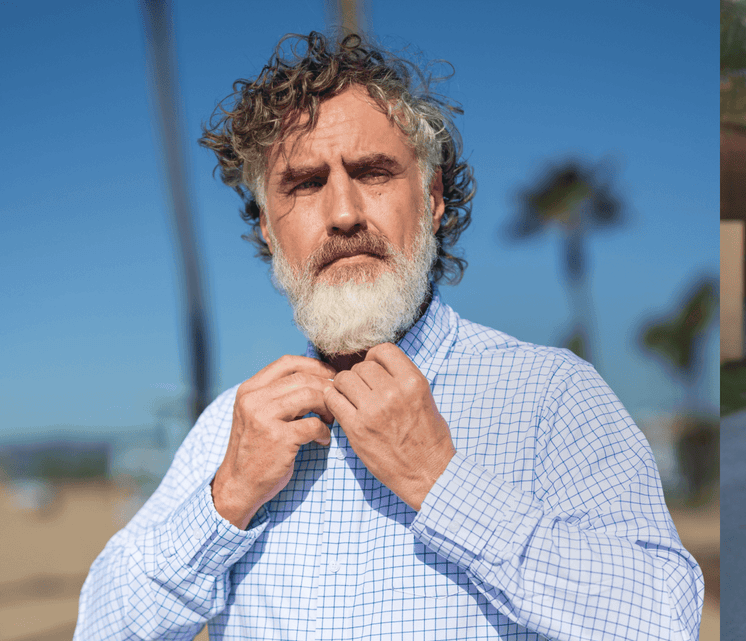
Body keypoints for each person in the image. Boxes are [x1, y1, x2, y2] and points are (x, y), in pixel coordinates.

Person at [76, 32, 704, 640]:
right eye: (305, 183)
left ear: (431, 198)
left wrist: (442, 482)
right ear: (268, 226)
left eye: (373, 172)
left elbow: (665, 621)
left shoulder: (550, 395)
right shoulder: (228, 430)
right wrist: (228, 496)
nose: (344, 213)